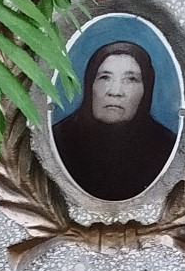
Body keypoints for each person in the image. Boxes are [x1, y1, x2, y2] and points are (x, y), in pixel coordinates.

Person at [52, 39, 177, 201]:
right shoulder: (59, 139)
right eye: (105, 77)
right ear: (90, 84)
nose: (115, 92)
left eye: (130, 79)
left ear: (146, 90)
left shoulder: (166, 146)